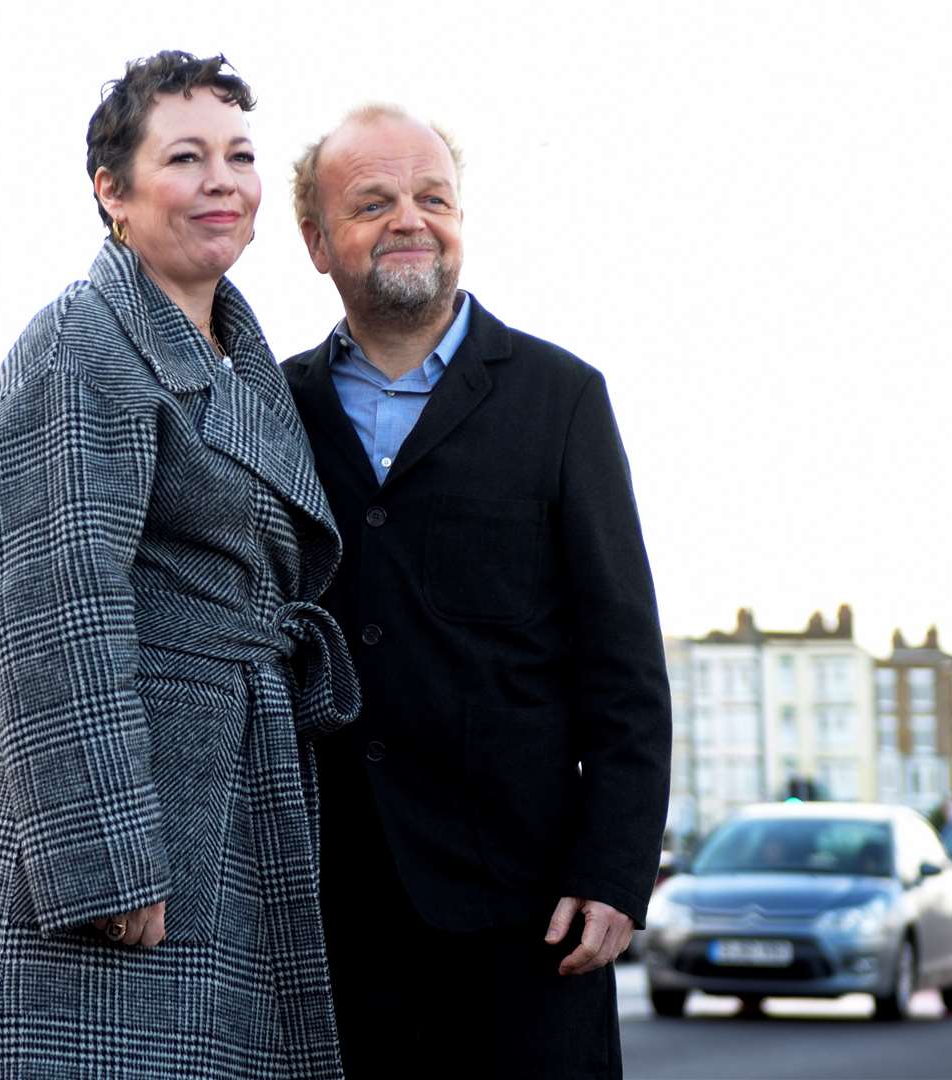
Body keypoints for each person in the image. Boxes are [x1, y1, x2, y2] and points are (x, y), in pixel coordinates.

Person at [0, 53, 358, 1080]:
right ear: (113, 191)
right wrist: (108, 860)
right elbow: (53, 616)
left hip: (231, 790)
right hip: (140, 839)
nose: (222, 181)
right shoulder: (77, 348)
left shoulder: (236, 358)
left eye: (240, 156)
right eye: (184, 157)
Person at [283, 104, 672, 1077]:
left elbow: (623, 666)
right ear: (316, 241)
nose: (410, 218)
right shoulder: (268, 408)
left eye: (433, 197)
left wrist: (615, 873)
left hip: (528, 919)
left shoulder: (560, 398)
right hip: (329, 920)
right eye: (373, 202)